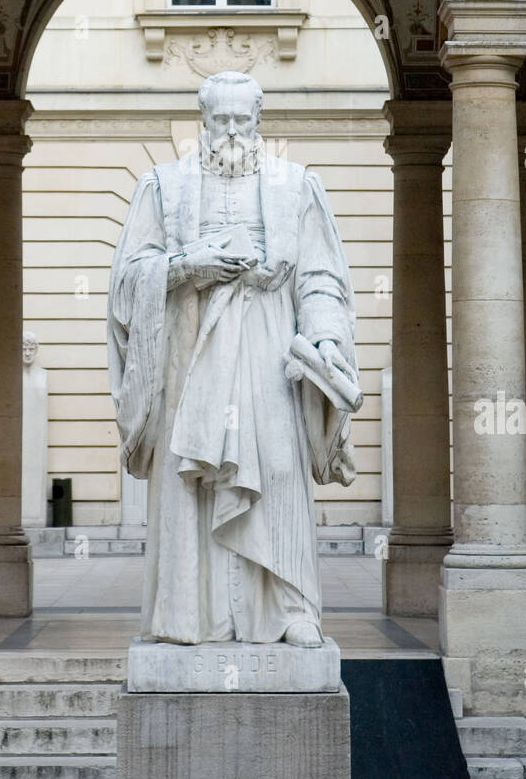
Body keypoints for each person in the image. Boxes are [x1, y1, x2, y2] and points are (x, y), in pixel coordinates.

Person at [108, 70, 358, 647]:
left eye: (243, 120)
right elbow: (126, 285)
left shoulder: (296, 187)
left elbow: (322, 279)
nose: (231, 131)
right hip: (189, 356)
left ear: (259, 122)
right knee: (191, 481)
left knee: (275, 469)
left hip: (271, 353)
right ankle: (190, 613)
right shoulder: (163, 187)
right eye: (220, 119)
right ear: (203, 120)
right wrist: (184, 268)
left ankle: (289, 609)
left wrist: (323, 340)